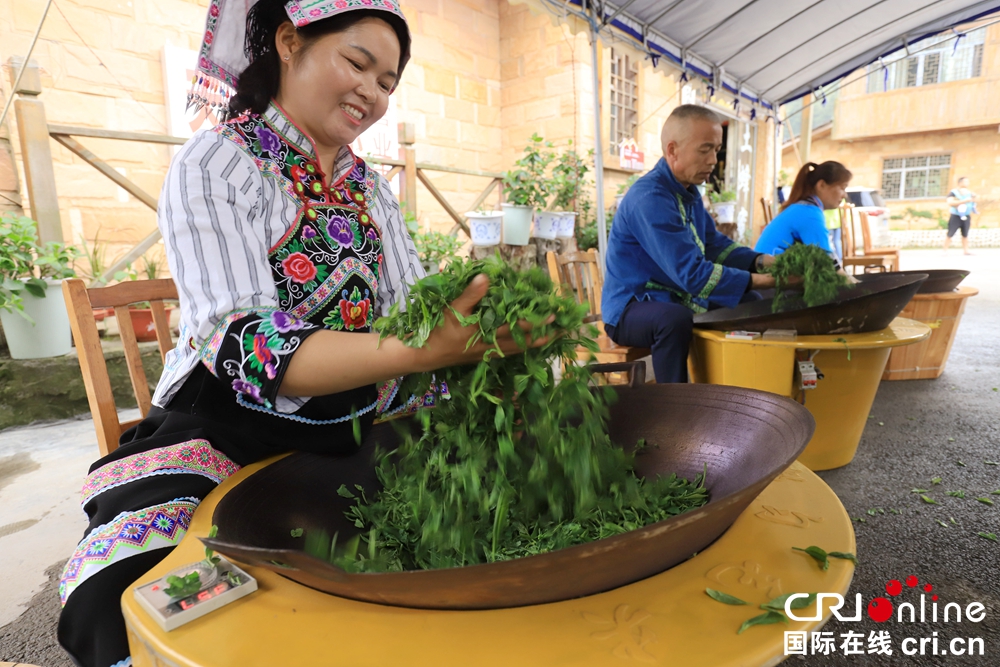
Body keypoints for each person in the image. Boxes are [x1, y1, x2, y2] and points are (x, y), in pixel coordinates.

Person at [56, 2, 550, 666]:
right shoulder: (220, 162)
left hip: (357, 423)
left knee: (494, 513)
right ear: (289, 43)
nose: (371, 93)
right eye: (357, 63)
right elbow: (243, 342)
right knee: (121, 591)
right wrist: (424, 347)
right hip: (228, 431)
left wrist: (476, 324)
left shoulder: (370, 191)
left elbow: (411, 312)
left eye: (388, 82)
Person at [602, 105, 779, 384]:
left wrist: (767, 262)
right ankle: (675, 407)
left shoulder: (688, 193)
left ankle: (725, 384)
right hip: (631, 307)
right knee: (673, 320)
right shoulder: (649, 198)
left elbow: (715, 246)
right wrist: (769, 280)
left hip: (674, 297)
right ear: (672, 150)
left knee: (750, 302)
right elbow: (693, 276)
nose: (713, 160)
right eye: (705, 149)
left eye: (717, 150)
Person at [755, 161, 852, 269]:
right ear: (821, 185)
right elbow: (826, 262)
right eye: (842, 188)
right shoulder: (809, 213)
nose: (845, 195)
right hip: (768, 279)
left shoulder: (802, 208)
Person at [945, 176, 977, 255]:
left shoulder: (969, 193)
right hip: (956, 215)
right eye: (965, 182)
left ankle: (966, 250)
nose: (967, 183)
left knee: (965, 234)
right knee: (950, 233)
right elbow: (950, 202)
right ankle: (945, 250)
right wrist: (964, 201)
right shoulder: (954, 192)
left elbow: (973, 202)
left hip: (966, 215)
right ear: (960, 183)